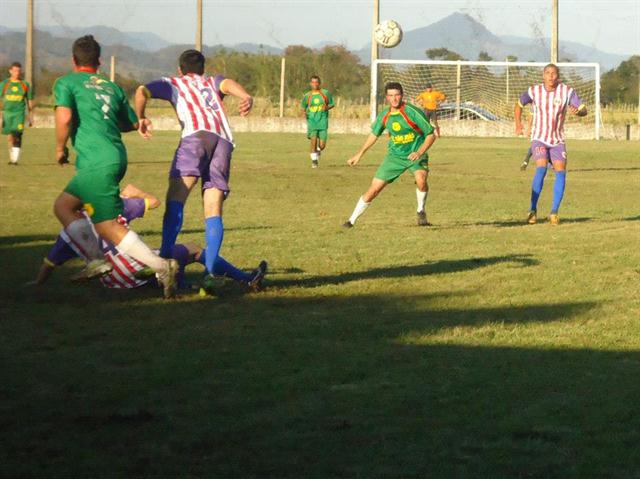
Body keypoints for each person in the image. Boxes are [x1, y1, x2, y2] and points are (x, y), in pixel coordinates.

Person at [52, 35, 178, 298]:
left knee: (106, 224)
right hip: (112, 156)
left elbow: (64, 117)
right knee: (64, 206)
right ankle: (95, 259)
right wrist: (141, 122)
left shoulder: (66, 82)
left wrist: (60, 148)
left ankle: (160, 265)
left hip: (96, 161)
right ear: (98, 61)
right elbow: (129, 122)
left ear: (74, 60)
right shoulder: (112, 87)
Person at [133, 49, 267, 295]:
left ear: (180, 69)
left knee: (176, 197)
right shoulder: (211, 81)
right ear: (203, 69)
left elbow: (142, 91)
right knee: (213, 206)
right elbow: (227, 84)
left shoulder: (173, 82)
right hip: (223, 141)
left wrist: (140, 117)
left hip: (195, 137)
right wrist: (246, 96)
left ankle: (163, 263)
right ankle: (210, 274)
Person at [33, 184, 265, 292]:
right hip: (142, 269)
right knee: (192, 248)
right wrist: (135, 193)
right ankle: (246, 279)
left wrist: (36, 284)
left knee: (158, 254)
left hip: (117, 284)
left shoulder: (68, 232)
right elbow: (154, 202)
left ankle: (183, 285)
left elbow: (49, 264)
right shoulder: (115, 209)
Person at [343, 82, 436, 228]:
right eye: (391, 95)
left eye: (397, 95)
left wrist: (419, 152)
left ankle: (420, 210)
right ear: (386, 97)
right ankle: (350, 221)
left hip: (416, 154)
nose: (394, 99)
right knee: (373, 190)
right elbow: (374, 135)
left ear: (402, 95)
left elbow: (431, 135)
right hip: (394, 157)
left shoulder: (412, 111)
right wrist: (359, 154)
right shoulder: (385, 116)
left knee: (421, 180)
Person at [515, 63, 587, 225]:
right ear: (543, 75)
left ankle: (554, 212)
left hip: (557, 140)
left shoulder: (567, 92)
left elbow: (583, 109)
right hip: (539, 137)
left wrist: (579, 112)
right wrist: (518, 124)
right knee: (541, 167)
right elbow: (519, 104)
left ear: (558, 76)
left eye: (553, 73)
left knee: (560, 171)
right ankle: (532, 210)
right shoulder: (534, 91)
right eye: (547, 73)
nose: (550, 76)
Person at [1, 62, 34, 165]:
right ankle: (12, 157)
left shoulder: (25, 85)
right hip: (7, 113)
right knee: (10, 136)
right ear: (10, 71)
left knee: (17, 134)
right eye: (15, 71)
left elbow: (29, 100)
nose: (17, 73)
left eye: (18, 71)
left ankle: (15, 160)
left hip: (19, 113)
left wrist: (30, 115)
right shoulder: (4, 84)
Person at [300, 75, 334, 168]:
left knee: (322, 145)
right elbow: (303, 107)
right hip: (312, 121)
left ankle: (319, 150)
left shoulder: (325, 93)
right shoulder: (307, 96)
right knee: (313, 140)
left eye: (316, 82)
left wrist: (327, 107)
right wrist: (304, 114)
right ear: (310, 84)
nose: (315, 84)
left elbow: (332, 104)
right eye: (313, 82)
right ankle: (314, 161)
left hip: (323, 121)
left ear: (319, 83)